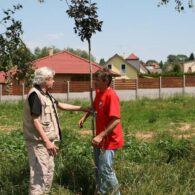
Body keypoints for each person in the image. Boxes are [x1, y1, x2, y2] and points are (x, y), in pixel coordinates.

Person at [23, 66, 88, 195]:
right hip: (39, 144)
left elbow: (61, 105)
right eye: (51, 79)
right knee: (38, 179)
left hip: (47, 144)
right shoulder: (35, 95)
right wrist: (47, 142)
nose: (53, 81)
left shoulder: (45, 94)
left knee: (47, 175)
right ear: (44, 80)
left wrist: (83, 108)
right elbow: (35, 120)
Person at [79, 68, 124, 195]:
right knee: (98, 168)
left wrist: (101, 135)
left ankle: (116, 193)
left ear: (106, 81)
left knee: (105, 169)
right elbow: (94, 107)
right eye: (94, 79)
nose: (94, 82)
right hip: (100, 139)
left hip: (110, 140)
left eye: (97, 80)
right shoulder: (99, 92)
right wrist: (84, 117)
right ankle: (102, 192)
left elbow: (116, 120)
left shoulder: (112, 96)